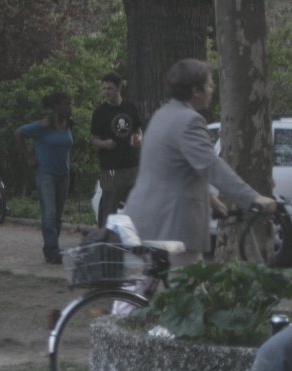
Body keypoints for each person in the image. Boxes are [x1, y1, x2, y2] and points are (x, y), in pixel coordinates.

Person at [123, 58, 275, 267]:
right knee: (188, 293)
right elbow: (212, 167)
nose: (212, 89)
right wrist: (254, 198)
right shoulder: (189, 121)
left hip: (142, 217)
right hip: (173, 225)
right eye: (210, 84)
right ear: (196, 90)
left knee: (139, 293)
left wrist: (211, 200)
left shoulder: (162, 114)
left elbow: (173, 168)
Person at [15, 92, 74, 264]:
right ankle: (51, 250)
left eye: (70, 104)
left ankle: (53, 246)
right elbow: (18, 133)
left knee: (58, 215)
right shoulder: (43, 125)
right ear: (56, 107)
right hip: (45, 173)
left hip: (64, 174)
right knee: (49, 213)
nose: (69, 108)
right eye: (65, 104)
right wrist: (28, 157)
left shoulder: (69, 124)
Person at [90, 72, 142, 227]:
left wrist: (138, 138)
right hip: (111, 170)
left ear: (119, 88)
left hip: (132, 166)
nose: (106, 92)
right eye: (104, 89)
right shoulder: (100, 112)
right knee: (109, 212)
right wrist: (105, 143)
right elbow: (93, 139)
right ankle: (106, 244)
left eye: (110, 88)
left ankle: (133, 244)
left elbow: (138, 129)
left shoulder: (130, 107)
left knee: (136, 210)